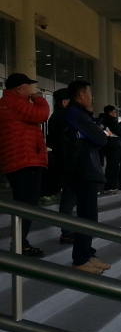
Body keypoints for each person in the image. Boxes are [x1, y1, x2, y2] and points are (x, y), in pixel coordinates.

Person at [62, 80, 111, 273]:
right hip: (83, 171)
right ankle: (80, 259)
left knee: (90, 215)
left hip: (85, 170)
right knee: (86, 216)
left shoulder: (79, 115)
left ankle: (88, 253)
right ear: (81, 95)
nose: (92, 97)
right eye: (90, 93)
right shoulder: (76, 115)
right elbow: (101, 138)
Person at [0, 73, 49, 256]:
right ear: (20, 88)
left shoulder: (9, 103)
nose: (33, 91)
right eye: (30, 86)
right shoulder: (13, 103)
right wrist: (40, 100)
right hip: (24, 162)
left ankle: (21, 242)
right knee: (26, 205)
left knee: (26, 203)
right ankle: (20, 244)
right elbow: (41, 114)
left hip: (21, 161)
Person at [46, 88, 77, 243]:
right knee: (69, 199)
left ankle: (68, 230)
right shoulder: (64, 117)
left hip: (63, 162)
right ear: (65, 102)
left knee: (70, 198)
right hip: (68, 164)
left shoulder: (56, 117)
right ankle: (67, 232)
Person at [101, 105, 121, 192]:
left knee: (113, 165)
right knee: (113, 166)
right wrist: (112, 134)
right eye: (114, 112)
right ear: (109, 113)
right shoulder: (110, 121)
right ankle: (110, 185)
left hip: (111, 145)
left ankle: (112, 185)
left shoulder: (106, 121)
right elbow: (117, 132)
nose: (115, 114)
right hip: (112, 145)